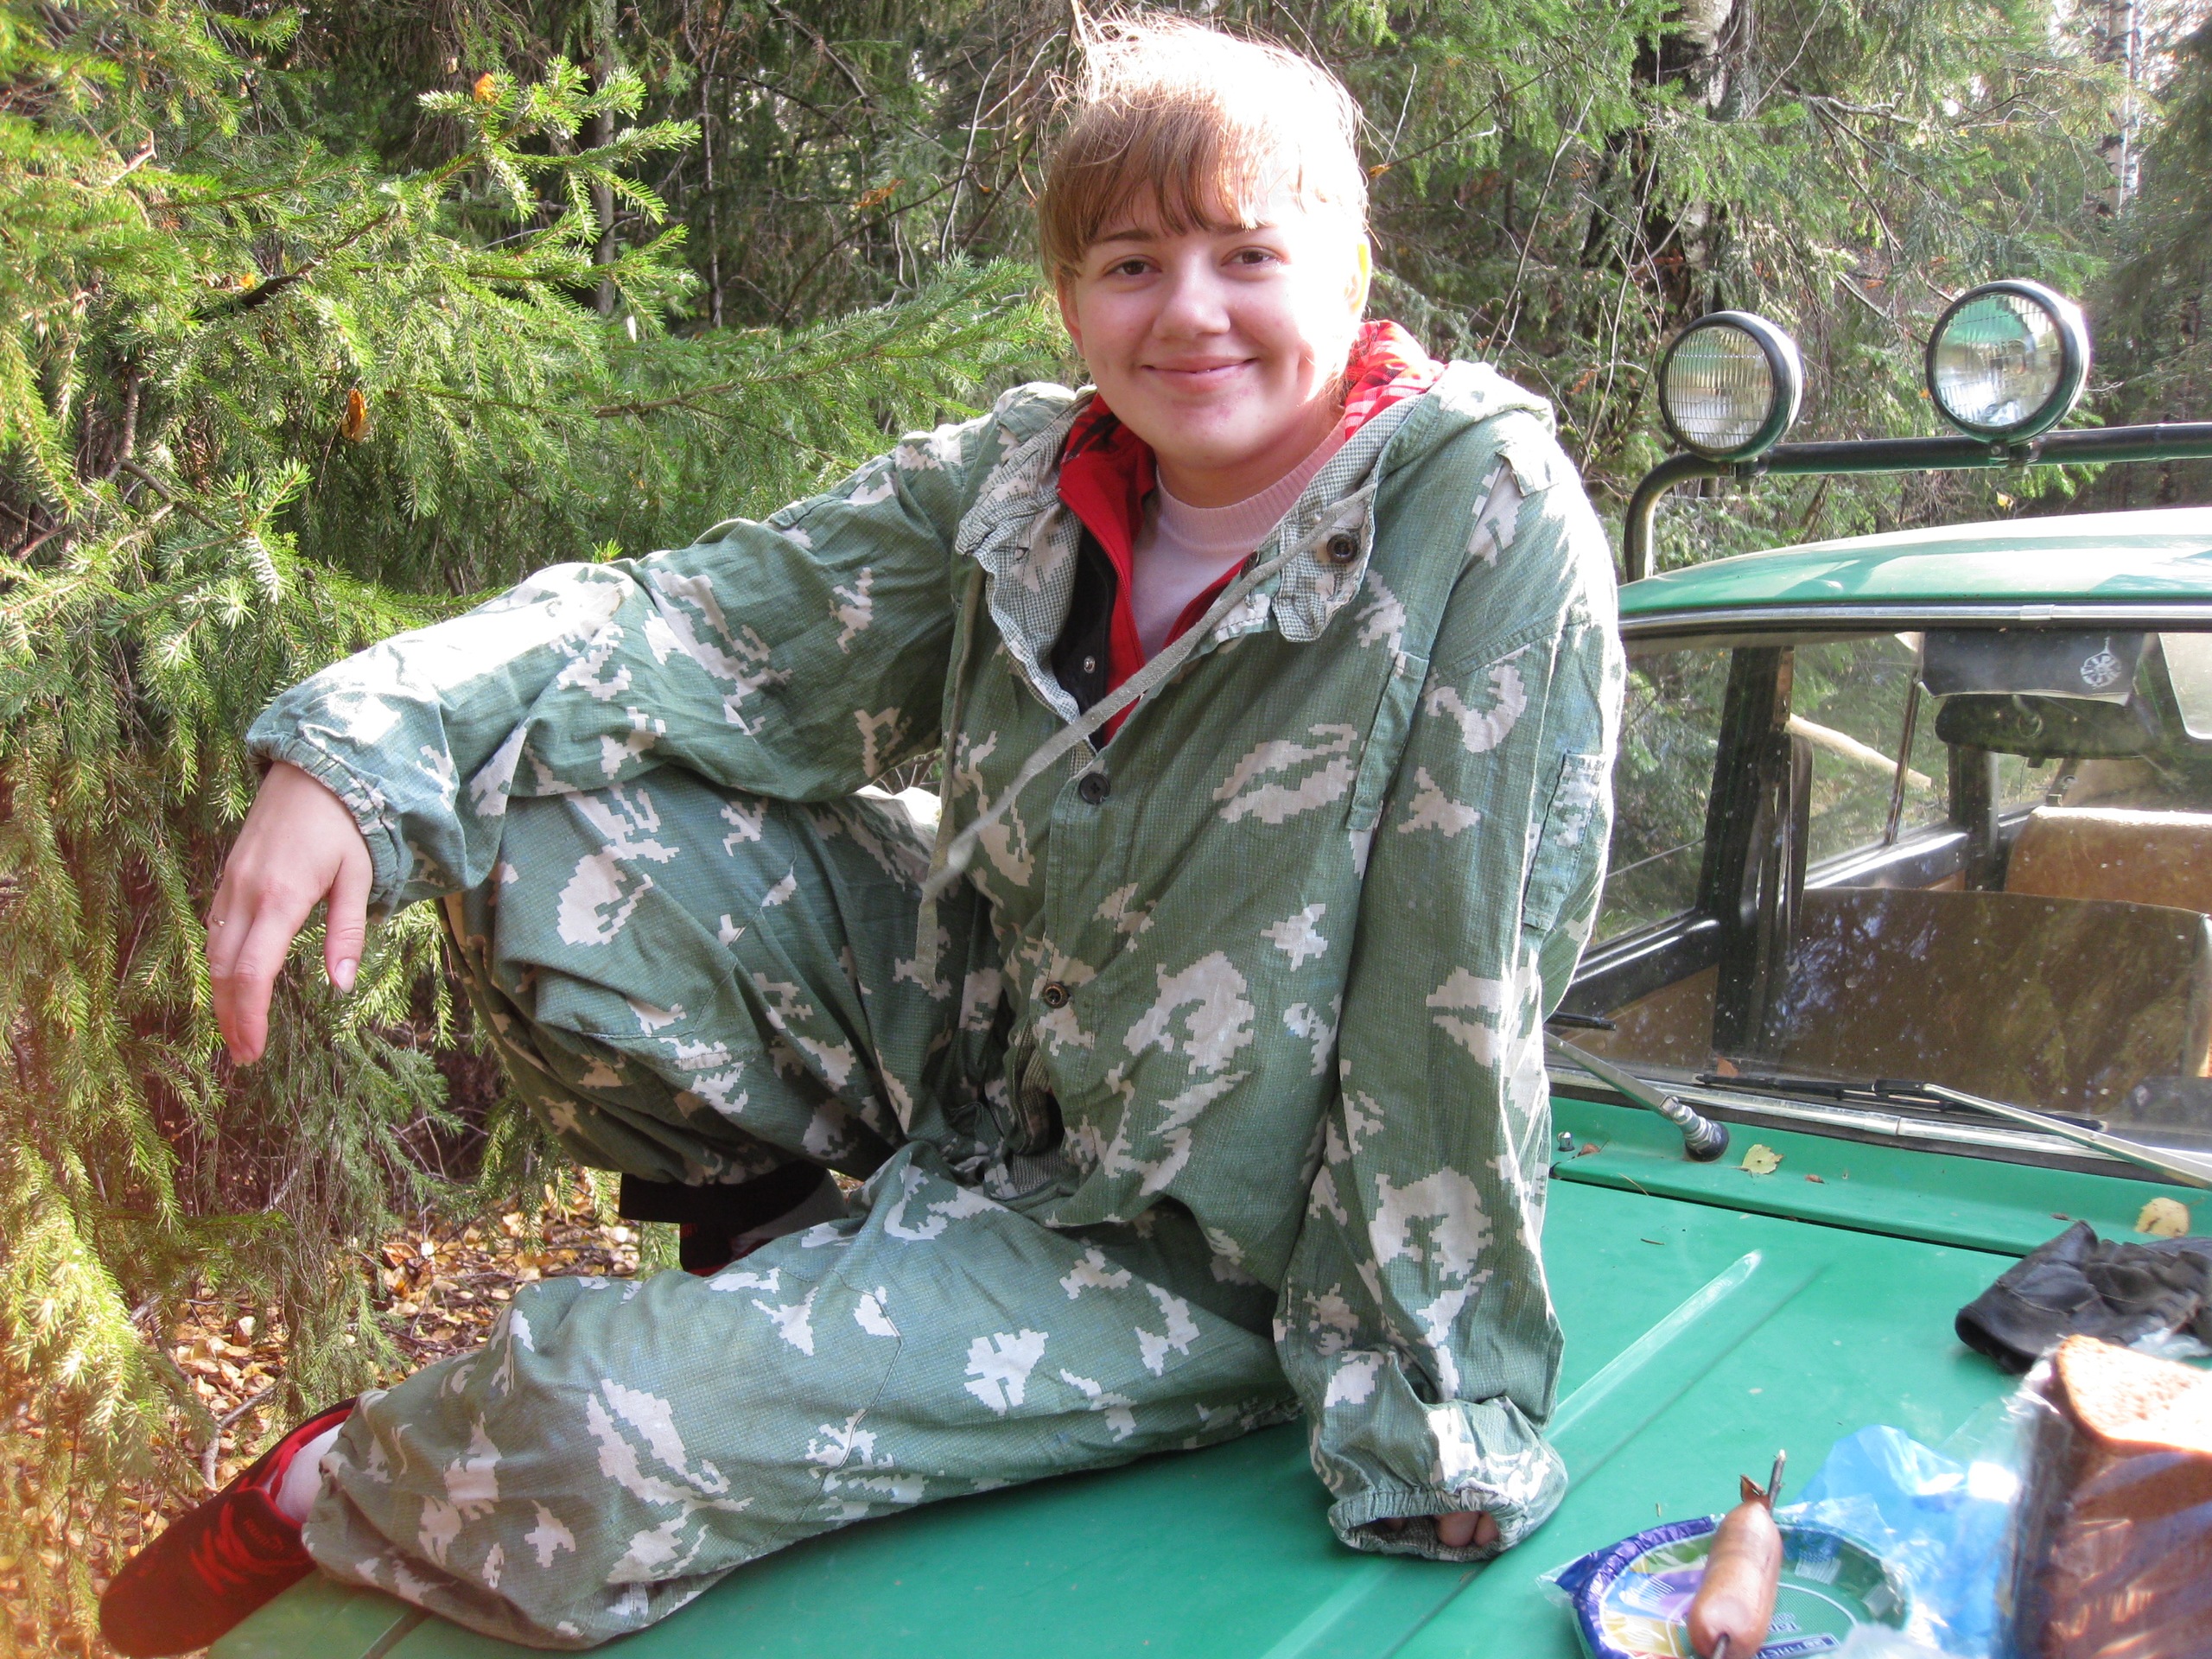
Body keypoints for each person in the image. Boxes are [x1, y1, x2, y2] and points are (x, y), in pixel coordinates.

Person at [101, 16, 1624, 1654]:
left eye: (1247, 253)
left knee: (603, 1439)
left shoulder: (1474, 510)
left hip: (1199, 1239)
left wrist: (1434, 1413)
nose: (1189, 311)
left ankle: (320, 1484)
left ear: (1349, 267)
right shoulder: (1025, 486)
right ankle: (773, 1251)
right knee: (537, 809)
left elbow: (1463, 986)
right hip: (991, 1068)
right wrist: (357, 750)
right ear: (1072, 299)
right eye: (1131, 263)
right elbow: (696, 622)